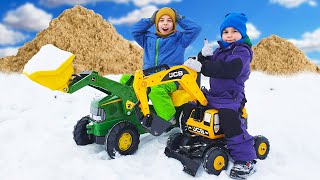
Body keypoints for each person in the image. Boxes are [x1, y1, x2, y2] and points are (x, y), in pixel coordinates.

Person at [183, 12, 257, 179]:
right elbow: (206, 64)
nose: (229, 35)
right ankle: (193, 136)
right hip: (215, 94)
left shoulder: (242, 52)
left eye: (234, 31)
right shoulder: (220, 50)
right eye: (225, 32)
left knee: (229, 119)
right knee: (192, 105)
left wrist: (203, 67)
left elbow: (230, 69)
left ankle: (245, 159)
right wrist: (202, 56)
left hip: (231, 97)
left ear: (242, 33)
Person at [130, 7, 201, 124]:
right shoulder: (147, 39)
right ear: (156, 24)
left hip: (171, 78)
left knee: (155, 90)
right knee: (126, 80)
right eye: (161, 20)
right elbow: (134, 30)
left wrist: (180, 18)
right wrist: (150, 20)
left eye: (169, 20)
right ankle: (131, 111)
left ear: (174, 24)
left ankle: (169, 118)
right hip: (148, 77)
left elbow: (195, 29)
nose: (165, 23)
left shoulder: (180, 39)